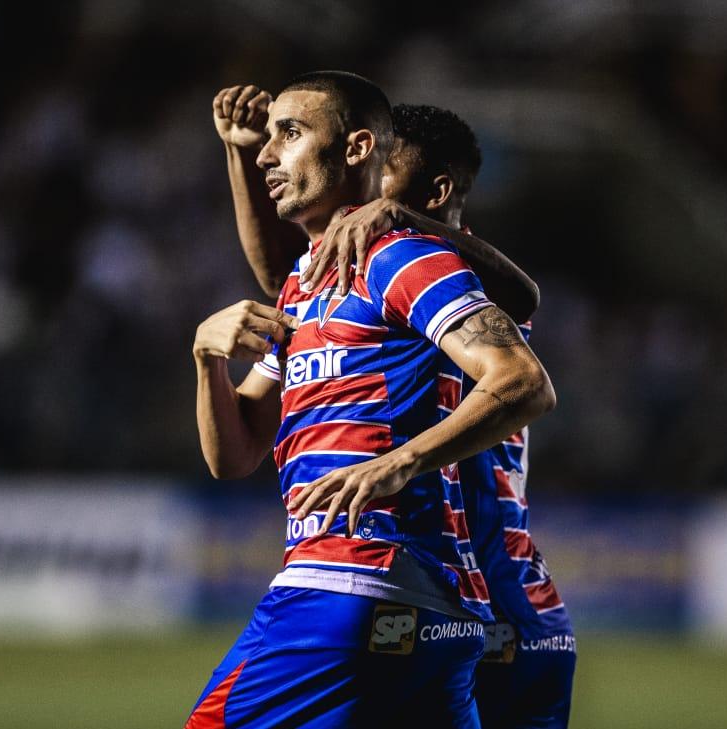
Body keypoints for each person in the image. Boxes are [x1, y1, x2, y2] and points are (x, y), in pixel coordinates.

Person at [187, 70, 556, 728]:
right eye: (268, 142)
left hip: (351, 582)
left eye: (291, 135)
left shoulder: (403, 256)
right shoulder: (308, 288)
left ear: (358, 148)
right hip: (434, 614)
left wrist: (398, 462)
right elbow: (235, 452)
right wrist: (206, 358)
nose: (271, 154)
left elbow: (523, 380)